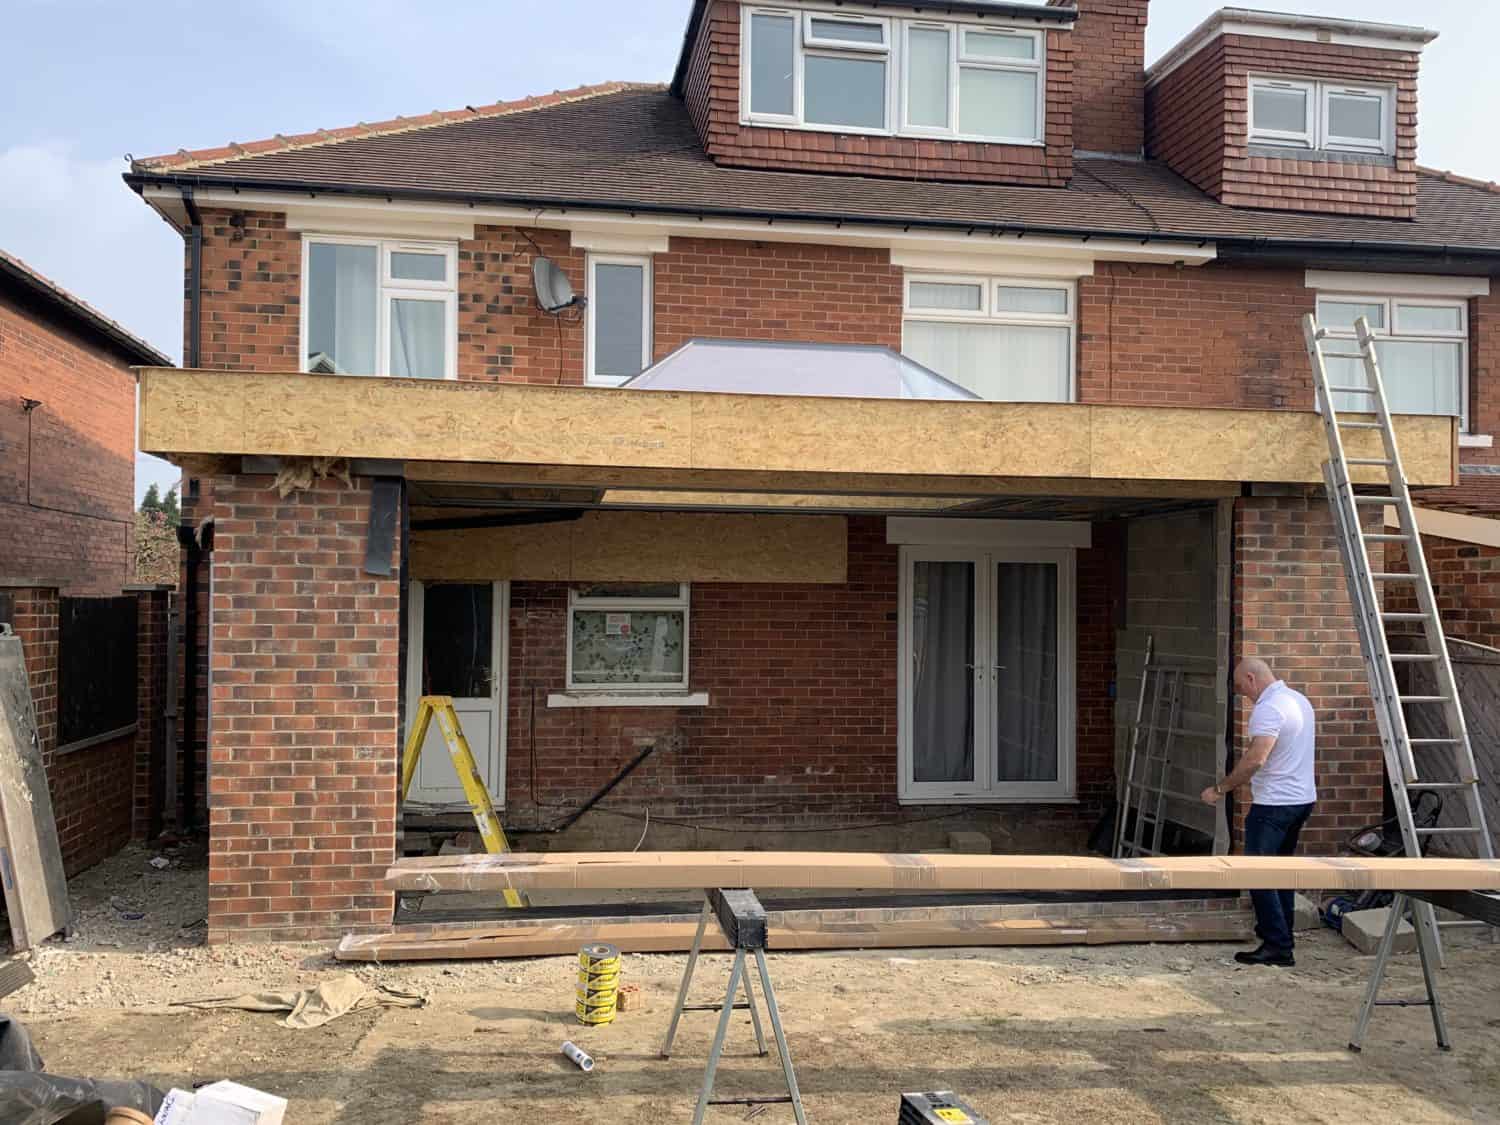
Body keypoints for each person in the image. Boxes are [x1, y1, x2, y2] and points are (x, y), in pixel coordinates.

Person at [1201, 657, 1317, 967]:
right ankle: (1280, 935)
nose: (1241, 694)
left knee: (1258, 872)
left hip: (1275, 805)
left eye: (1240, 687)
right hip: (1302, 800)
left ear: (1252, 678)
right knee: (1280, 872)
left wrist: (1221, 789)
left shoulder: (1268, 708)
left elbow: (1256, 759)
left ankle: (1277, 945)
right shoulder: (1299, 700)